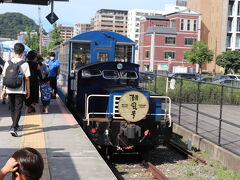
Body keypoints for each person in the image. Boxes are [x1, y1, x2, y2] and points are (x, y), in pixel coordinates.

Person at [1, 43, 30, 137]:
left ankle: (15, 125)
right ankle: (13, 127)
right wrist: (28, 91)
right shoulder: (24, 63)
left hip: (9, 88)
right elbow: (26, 78)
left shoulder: (7, 62)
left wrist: (4, 89)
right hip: (20, 90)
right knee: (18, 108)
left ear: (14, 51)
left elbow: (5, 77)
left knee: (12, 108)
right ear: (22, 53)